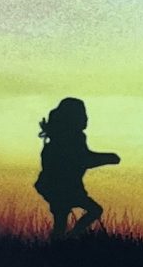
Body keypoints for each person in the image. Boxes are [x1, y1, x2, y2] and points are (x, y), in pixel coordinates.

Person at [34, 97, 120, 239]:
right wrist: (107, 158)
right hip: (61, 187)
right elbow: (82, 160)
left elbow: (83, 158)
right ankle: (72, 237)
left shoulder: (70, 138)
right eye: (82, 114)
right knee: (91, 211)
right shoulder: (70, 139)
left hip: (60, 187)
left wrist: (106, 158)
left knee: (61, 221)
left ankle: (67, 239)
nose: (86, 118)